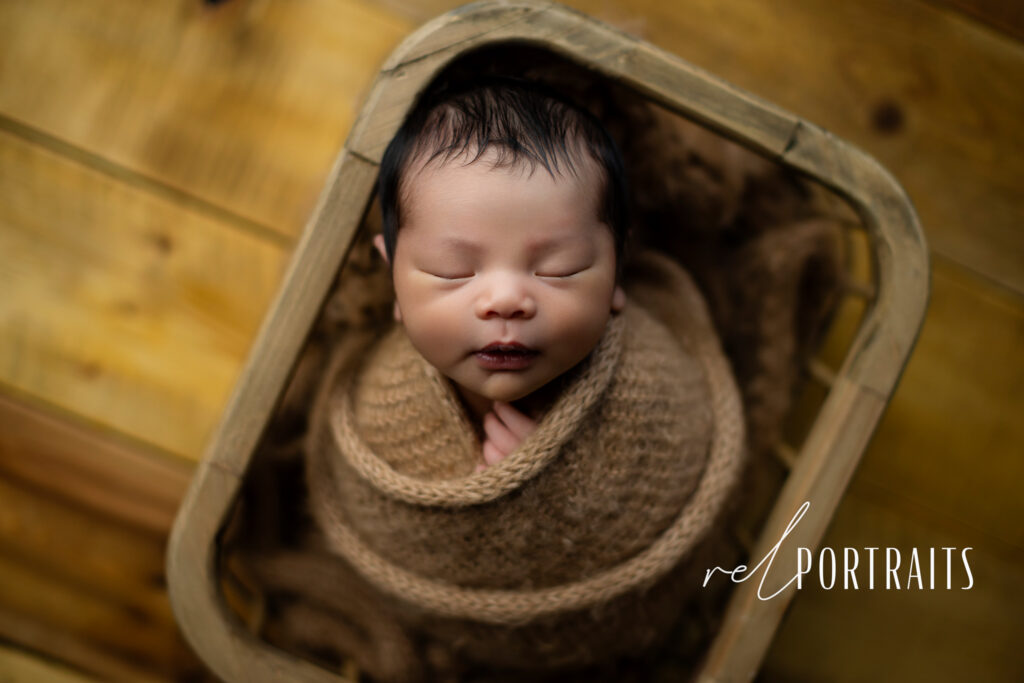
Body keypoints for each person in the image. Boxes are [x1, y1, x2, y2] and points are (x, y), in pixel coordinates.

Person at [372, 77, 630, 470]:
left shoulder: (642, 387)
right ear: (393, 277)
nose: (506, 300)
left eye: (559, 270)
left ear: (617, 271)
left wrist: (562, 481)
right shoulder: (376, 407)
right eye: (452, 271)